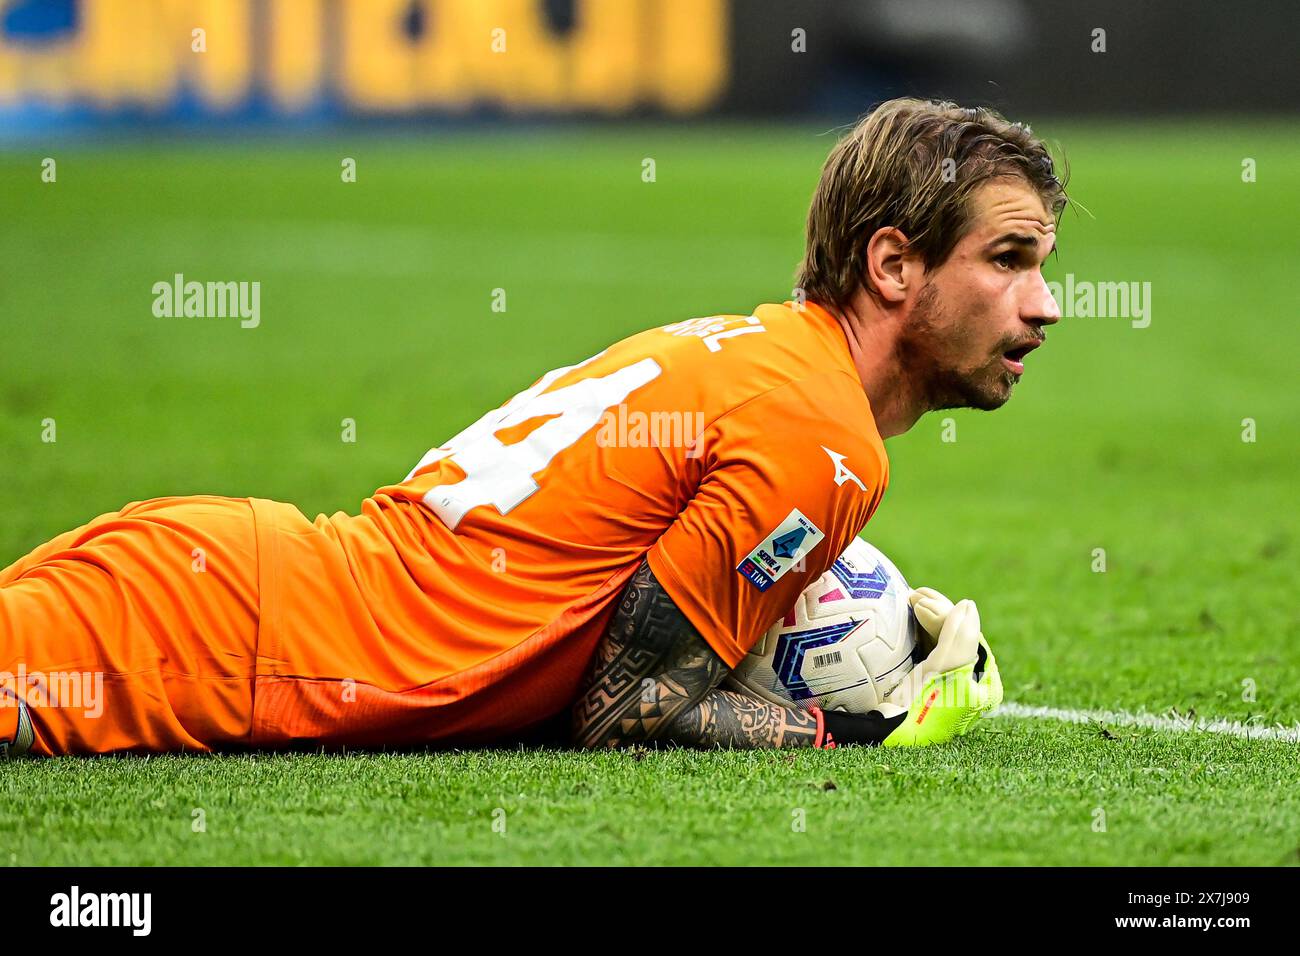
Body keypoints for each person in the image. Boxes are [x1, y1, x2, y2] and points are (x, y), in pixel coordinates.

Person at [0, 98, 1065, 757]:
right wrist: (862, 725)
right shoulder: (821, 436)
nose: (1045, 304)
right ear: (891, 265)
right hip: (227, 643)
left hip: (225, 582)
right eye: (1009, 259)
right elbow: (626, 711)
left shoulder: (762, 352)